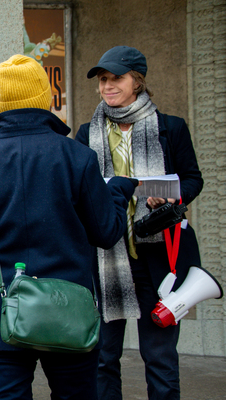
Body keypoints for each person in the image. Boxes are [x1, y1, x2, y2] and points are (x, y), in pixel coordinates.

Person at [0, 54, 139, 400]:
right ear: (44, 99)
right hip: (69, 313)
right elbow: (106, 234)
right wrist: (118, 191)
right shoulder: (78, 157)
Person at [75, 46, 203, 400]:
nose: (107, 86)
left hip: (160, 256)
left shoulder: (170, 128)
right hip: (107, 257)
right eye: (103, 79)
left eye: (116, 78)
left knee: (160, 357)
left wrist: (173, 196)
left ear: (138, 81)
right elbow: (79, 190)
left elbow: (193, 178)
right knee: (103, 356)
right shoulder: (86, 134)